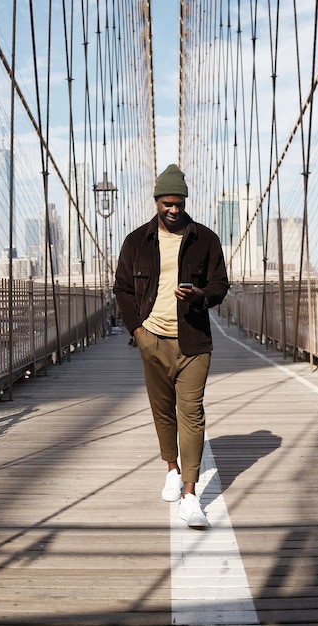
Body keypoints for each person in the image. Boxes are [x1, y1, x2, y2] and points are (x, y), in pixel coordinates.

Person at [113, 164, 229, 528]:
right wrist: (137, 331)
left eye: (179, 203)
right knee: (163, 411)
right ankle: (172, 468)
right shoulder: (135, 242)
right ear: (157, 202)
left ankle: (190, 495)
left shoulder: (206, 239)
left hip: (194, 341)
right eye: (167, 203)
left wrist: (199, 295)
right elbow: (122, 289)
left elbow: (221, 286)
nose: (174, 210)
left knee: (191, 413)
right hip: (152, 341)